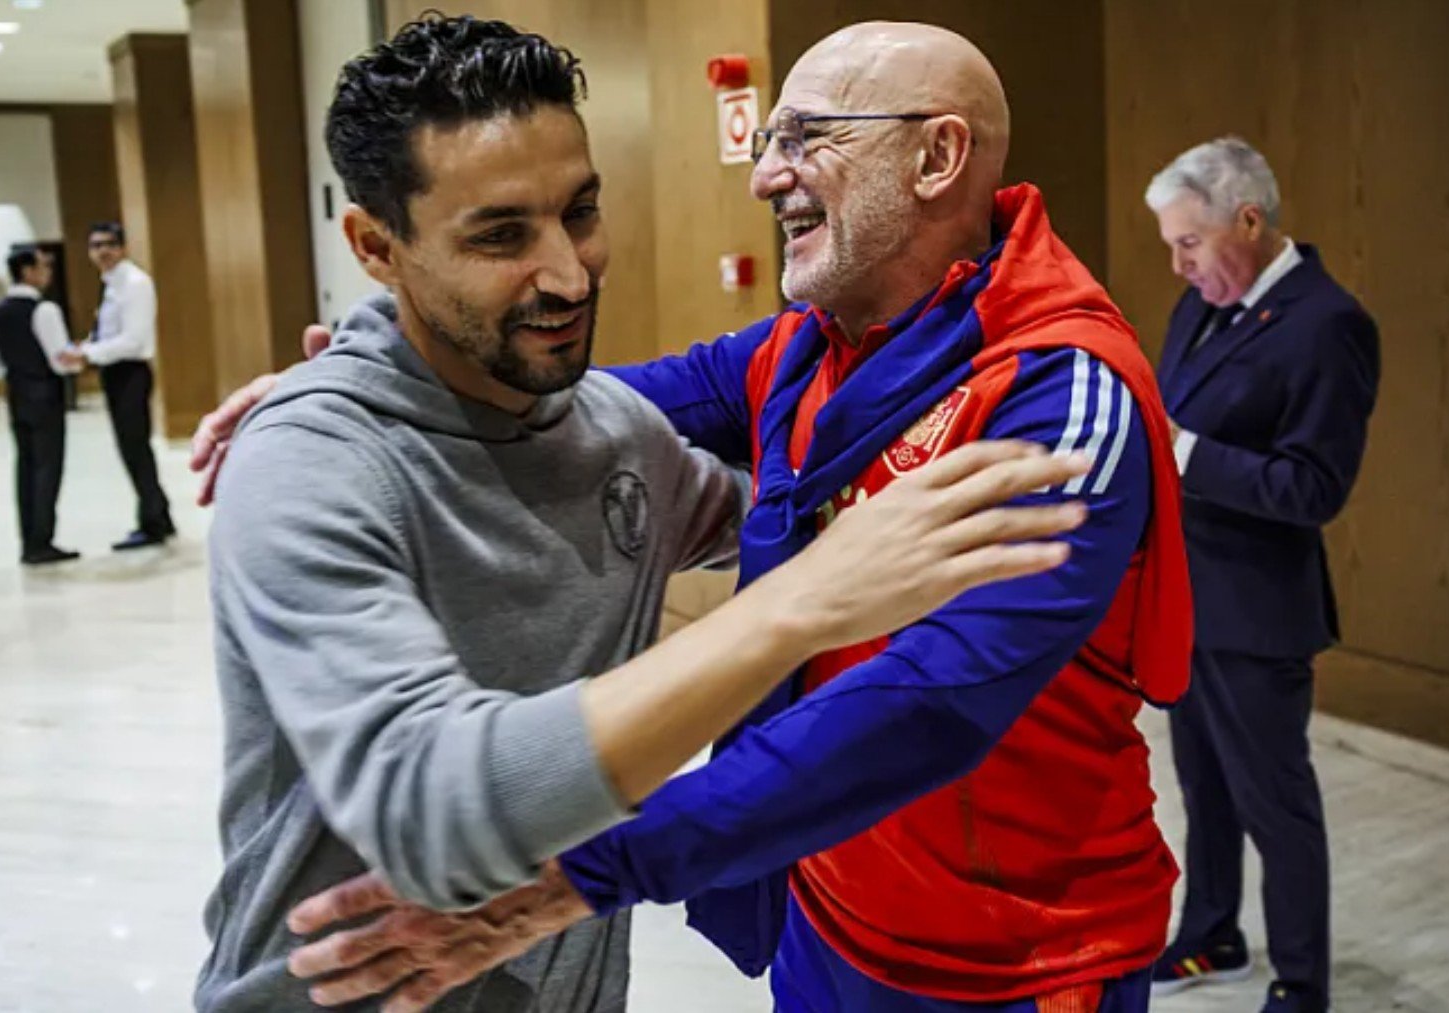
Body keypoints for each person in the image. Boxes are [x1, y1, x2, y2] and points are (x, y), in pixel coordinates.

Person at [196, 19, 1197, 1013]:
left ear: (937, 155)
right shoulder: (806, 346)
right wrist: (346, 385)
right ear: (379, 247)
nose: (765, 176)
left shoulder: (1066, 398)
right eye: (770, 139)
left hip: (1016, 957)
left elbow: (929, 705)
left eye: (806, 138)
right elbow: (541, 397)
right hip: (831, 908)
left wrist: (598, 866)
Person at [1143, 137, 1380, 1013]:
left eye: (1190, 243)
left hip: (1258, 611)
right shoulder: (1201, 304)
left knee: (1277, 805)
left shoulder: (1330, 324)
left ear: (1249, 219)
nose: (1178, 263)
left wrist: (1186, 453)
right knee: (1203, 789)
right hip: (1187, 600)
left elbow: (1314, 487)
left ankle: (1301, 981)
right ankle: (1212, 933)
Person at [60, 222, 174, 550]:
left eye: (110, 244)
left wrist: (87, 354)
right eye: (96, 245)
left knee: (136, 450)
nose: (103, 251)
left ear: (123, 247)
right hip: (114, 372)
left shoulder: (134, 283)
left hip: (130, 373)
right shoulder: (110, 283)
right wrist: (90, 347)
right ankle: (160, 514)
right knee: (131, 449)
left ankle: (152, 524)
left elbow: (133, 340)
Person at [0, 246, 79, 566]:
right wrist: (78, 360)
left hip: (16, 393)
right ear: (27, 271)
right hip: (45, 394)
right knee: (48, 467)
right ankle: (43, 540)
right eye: (43, 266)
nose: (48, 272)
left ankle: (28, 540)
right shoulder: (45, 311)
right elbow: (61, 360)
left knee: (25, 466)